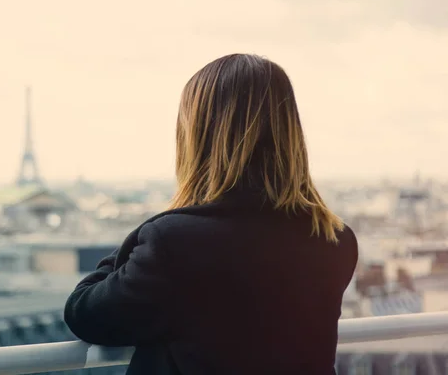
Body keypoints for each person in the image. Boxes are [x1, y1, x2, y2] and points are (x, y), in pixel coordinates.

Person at [64, 54, 358, 375]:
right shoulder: (335, 239)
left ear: (195, 137)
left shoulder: (174, 241)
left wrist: (149, 230)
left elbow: (85, 314)